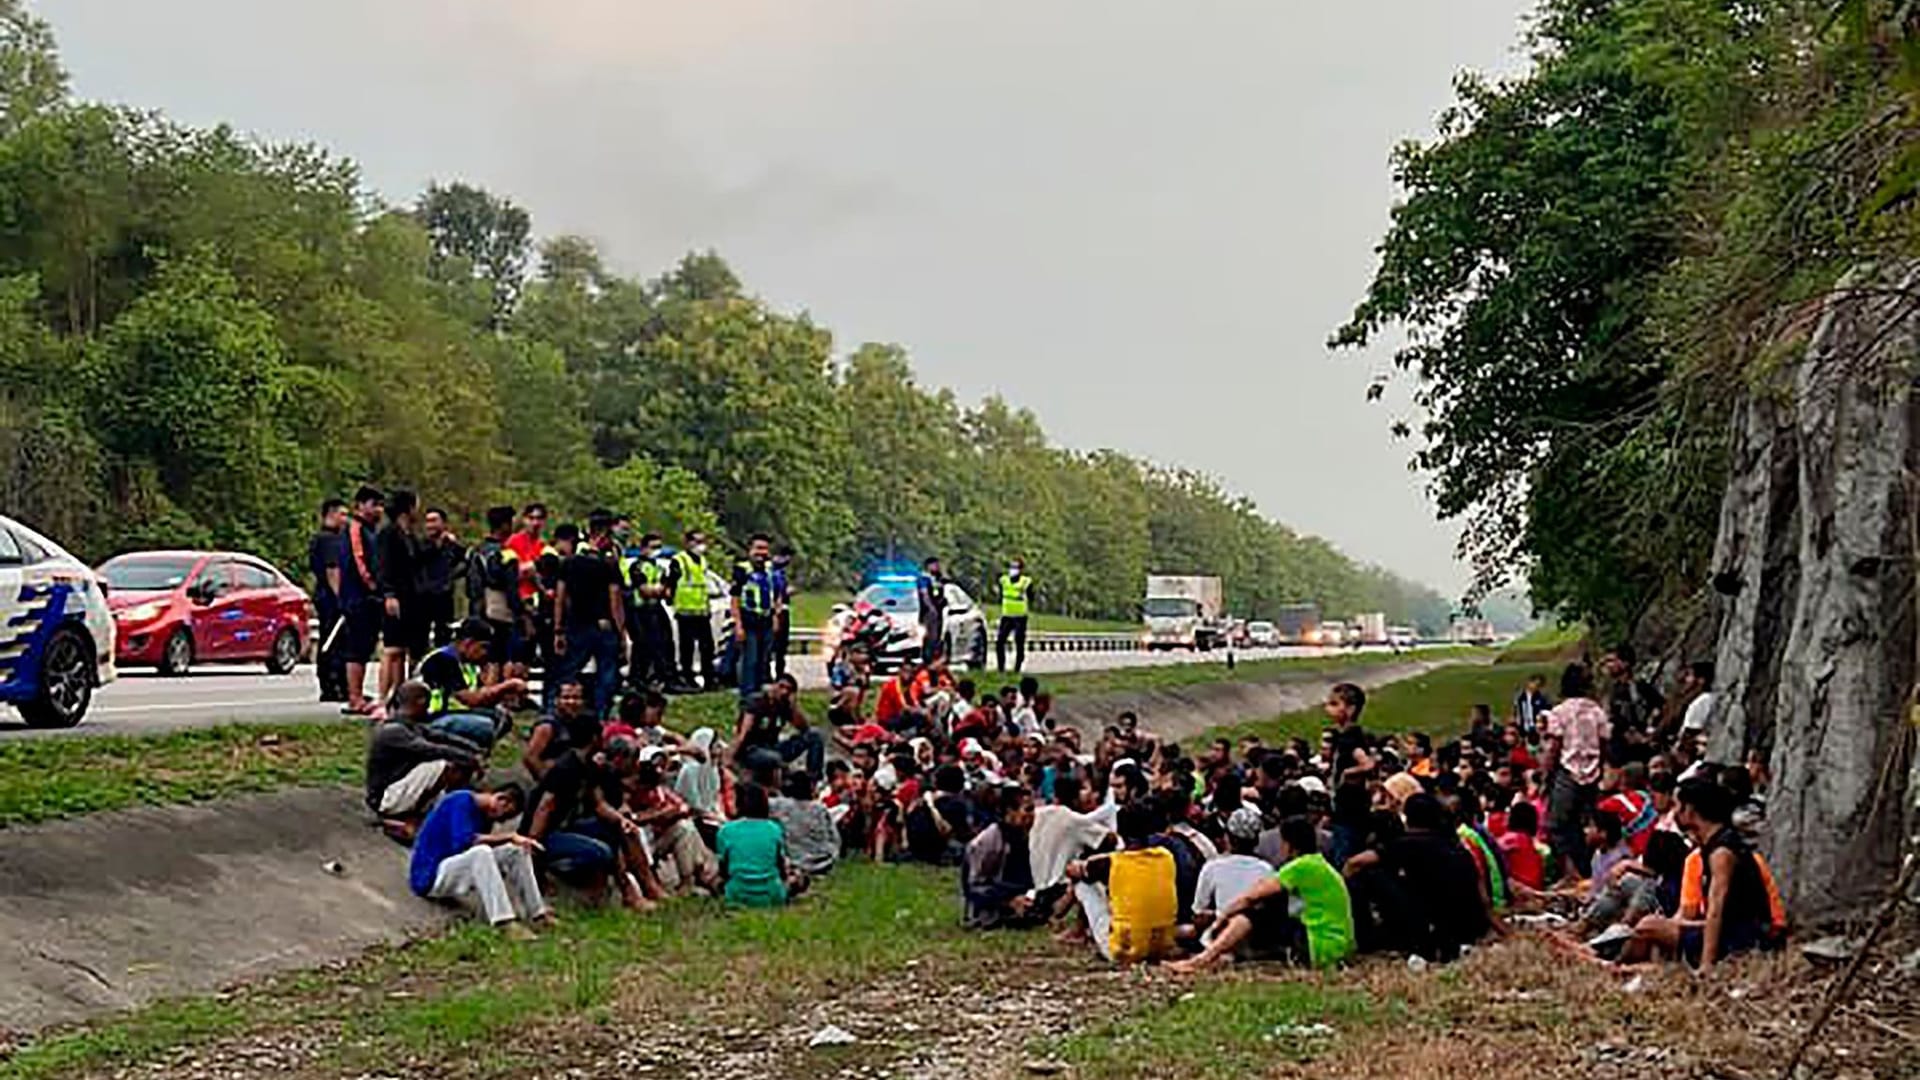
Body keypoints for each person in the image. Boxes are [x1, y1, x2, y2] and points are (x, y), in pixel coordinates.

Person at [1624, 779, 1777, 971]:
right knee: (1654, 928)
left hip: (1742, 937)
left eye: (1678, 806)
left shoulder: (1723, 851)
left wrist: (1707, 964)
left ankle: (1616, 966)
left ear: (1690, 810)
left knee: (1649, 925)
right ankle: (1624, 966)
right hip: (1729, 929)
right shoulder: (1710, 846)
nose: (1675, 813)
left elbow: (1716, 909)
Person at [1170, 815, 1355, 972]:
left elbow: (1250, 897)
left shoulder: (1300, 867)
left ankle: (1203, 959)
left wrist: (1221, 918)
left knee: (1253, 913)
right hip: (1338, 946)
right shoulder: (1317, 865)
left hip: (1318, 946)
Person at [1344, 793, 1490, 962]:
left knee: (1369, 874)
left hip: (1431, 928)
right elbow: (1483, 896)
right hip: (1468, 927)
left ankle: (1365, 939)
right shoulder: (1455, 845)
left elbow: (1354, 863)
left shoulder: (1406, 844)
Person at [408, 783, 549, 936]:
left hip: (453, 868)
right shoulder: (460, 801)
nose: (500, 822)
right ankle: (504, 922)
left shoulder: (484, 817)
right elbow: (464, 842)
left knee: (516, 851)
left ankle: (538, 913)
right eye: (504, 815)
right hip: (430, 875)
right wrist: (509, 836)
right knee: (481, 852)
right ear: (502, 800)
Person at [364, 680, 483, 836]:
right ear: (421, 701)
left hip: (399, 787)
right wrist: (471, 760)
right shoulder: (393, 731)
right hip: (385, 798)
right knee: (447, 766)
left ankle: (424, 811)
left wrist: (474, 750)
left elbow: (442, 737)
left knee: (456, 760)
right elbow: (432, 749)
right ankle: (407, 815)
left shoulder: (410, 725)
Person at [1066, 802, 1178, 965]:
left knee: (1083, 885)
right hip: (1161, 947)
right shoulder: (1166, 856)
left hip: (1123, 950)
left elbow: (1073, 870)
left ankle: (1078, 931)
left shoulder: (1111, 862)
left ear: (1119, 831)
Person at [553, 511, 628, 719]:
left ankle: (558, 710)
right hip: (603, 626)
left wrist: (558, 629)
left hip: (576, 624)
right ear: (603, 535)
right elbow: (615, 601)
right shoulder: (608, 565)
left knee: (568, 671)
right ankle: (600, 714)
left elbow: (560, 598)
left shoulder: (569, 563)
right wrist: (622, 633)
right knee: (607, 673)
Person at [1542, 662, 1611, 878]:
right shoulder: (1596, 711)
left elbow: (1554, 746)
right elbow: (1604, 742)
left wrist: (1545, 774)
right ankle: (1587, 867)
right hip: (1592, 772)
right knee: (1584, 824)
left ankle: (1571, 872)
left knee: (1557, 825)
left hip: (1567, 770)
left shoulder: (1559, 712)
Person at [416, 618, 526, 749]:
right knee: (485, 727)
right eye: (483, 647)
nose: (485, 653)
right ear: (468, 643)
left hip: (452, 713)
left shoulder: (467, 664)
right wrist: (508, 685)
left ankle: (470, 753)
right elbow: (473, 699)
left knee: (502, 718)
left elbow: (485, 695)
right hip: (429, 718)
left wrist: (490, 668)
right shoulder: (442, 660)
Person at [1189, 807, 1280, 938]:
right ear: (1256, 841)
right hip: (1255, 941)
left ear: (1228, 837)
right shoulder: (1267, 870)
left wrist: (1217, 916)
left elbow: (1198, 915)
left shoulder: (1212, 867)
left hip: (1218, 939)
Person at [962, 786, 1044, 929]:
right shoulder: (989, 840)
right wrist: (1009, 900)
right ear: (1010, 811)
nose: (1033, 815)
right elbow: (974, 887)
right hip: (996, 897)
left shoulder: (1031, 836)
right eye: (1028, 809)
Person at [335, 486, 385, 715]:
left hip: (367, 598)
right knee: (357, 648)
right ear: (361, 505)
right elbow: (361, 562)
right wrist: (375, 587)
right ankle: (354, 697)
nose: (378, 510)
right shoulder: (355, 530)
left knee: (365, 648)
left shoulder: (371, 531)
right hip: (358, 598)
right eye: (374, 504)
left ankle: (358, 693)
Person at [716, 782, 804, 907]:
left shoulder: (725, 831)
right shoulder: (774, 829)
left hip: (736, 894)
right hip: (771, 894)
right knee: (798, 877)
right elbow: (781, 868)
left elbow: (723, 869)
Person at [374, 489, 425, 705]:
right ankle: (382, 697)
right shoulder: (389, 533)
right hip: (394, 595)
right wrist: (388, 594)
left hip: (410, 597)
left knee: (403, 650)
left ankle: (399, 694)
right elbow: (383, 566)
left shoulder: (410, 535)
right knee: (392, 648)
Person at [464, 506, 526, 683]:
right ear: (505, 525)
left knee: (484, 659)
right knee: (502, 658)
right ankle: (498, 699)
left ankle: (482, 696)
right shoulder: (506, 555)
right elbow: (512, 591)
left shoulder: (474, 551)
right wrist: (522, 614)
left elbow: (470, 585)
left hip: (478, 612)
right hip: (501, 614)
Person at [731, 673, 826, 778]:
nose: (784, 692)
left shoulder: (784, 705)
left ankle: (813, 778)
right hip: (752, 749)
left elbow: (804, 728)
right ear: (774, 685)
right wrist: (732, 756)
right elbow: (743, 732)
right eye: (781, 687)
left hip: (773, 747)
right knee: (774, 758)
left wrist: (793, 707)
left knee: (815, 735)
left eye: (788, 689)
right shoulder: (756, 701)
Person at [621, 533, 678, 691]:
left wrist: (664, 587)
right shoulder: (637, 566)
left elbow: (666, 592)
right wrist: (660, 589)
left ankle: (664, 677)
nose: (656, 551)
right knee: (643, 645)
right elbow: (645, 590)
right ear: (643, 548)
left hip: (655, 607)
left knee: (665, 642)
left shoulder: (658, 566)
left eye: (659, 547)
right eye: (653, 547)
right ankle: (638, 679)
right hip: (639, 609)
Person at [731, 534, 780, 704]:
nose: (762, 553)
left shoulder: (770, 571)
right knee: (750, 660)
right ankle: (747, 695)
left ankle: (761, 693)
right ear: (750, 550)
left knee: (764, 659)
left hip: (766, 620)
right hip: (749, 620)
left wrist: (775, 616)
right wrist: (738, 625)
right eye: (758, 548)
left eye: (765, 549)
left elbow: (775, 595)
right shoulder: (742, 570)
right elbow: (735, 598)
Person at [309, 498, 350, 703]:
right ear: (330, 515)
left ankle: (334, 686)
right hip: (331, 598)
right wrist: (341, 598)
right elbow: (332, 570)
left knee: (331, 640)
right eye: (342, 514)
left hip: (324, 595)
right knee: (336, 642)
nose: (346, 519)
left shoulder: (321, 538)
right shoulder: (329, 540)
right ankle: (334, 685)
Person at [770, 770, 840, 878]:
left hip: (795, 862)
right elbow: (835, 837)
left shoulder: (779, 806)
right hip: (822, 861)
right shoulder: (820, 809)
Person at [672, 529, 717, 691]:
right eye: (696, 541)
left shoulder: (702, 561)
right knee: (687, 649)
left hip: (702, 611)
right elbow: (672, 584)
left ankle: (709, 680)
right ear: (688, 543)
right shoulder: (679, 560)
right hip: (685, 611)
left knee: (707, 647)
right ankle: (688, 679)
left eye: (702, 541)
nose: (700, 545)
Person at [417, 508, 466, 649]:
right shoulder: (420, 544)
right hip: (422, 597)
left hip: (444, 596)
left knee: (444, 636)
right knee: (419, 639)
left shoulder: (451, 546)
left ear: (444, 523)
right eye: (427, 521)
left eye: (434, 521)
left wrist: (452, 577)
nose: (430, 525)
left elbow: (467, 560)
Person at [1325, 683, 1374, 780]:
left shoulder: (1351, 737)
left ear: (1350, 709)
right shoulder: (1339, 734)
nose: (1327, 708)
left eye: (1334, 704)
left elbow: (1368, 764)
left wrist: (1346, 772)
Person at [996, 557, 1034, 673]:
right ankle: (1001, 668)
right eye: (1011, 567)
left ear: (1021, 570)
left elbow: (1031, 596)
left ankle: (1017, 667)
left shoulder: (1026, 582)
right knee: (1000, 641)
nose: (1013, 570)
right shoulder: (1004, 580)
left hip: (1020, 616)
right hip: (1006, 615)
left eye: (1016, 567)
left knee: (1019, 642)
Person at [1677, 660, 1718, 744]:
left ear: (1701, 680)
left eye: (1689, 675)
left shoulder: (1703, 702)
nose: (1685, 679)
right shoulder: (1702, 700)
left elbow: (1690, 734)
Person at [770, 545, 795, 679]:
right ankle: (777, 672)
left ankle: (778, 671)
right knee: (778, 645)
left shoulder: (779, 572)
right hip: (778, 611)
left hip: (780, 609)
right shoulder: (775, 573)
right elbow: (777, 594)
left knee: (779, 646)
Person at [917, 556, 948, 664]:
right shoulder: (924, 579)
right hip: (929, 614)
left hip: (939, 613)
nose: (937, 567)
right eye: (934, 565)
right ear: (928, 566)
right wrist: (931, 609)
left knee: (937, 638)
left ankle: (935, 658)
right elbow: (925, 595)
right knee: (930, 638)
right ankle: (927, 660)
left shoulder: (938, 579)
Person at [1514, 673, 1552, 743]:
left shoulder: (1542, 699)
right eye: (1535, 684)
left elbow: (1548, 712)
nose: (1536, 687)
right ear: (1529, 682)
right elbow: (1517, 712)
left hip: (1538, 730)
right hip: (1524, 730)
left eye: (1539, 686)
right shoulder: (1520, 697)